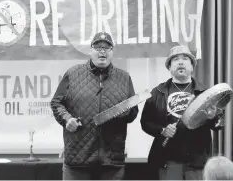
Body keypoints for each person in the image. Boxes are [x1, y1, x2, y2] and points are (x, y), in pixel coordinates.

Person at [51, 32, 139, 180]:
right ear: (90, 50)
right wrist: (67, 119)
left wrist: (123, 112)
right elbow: (56, 102)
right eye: (98, 47)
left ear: (112, 52)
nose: (102, 51)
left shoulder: (124, 77)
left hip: (111, 161)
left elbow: (133, 112)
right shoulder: (73, 74)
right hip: (77, 160)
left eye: (107, 47)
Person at [140, 45, 225, 180]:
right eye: (175, 60)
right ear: (169, 67)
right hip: (167, 161)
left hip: (197, 162)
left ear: (192, 67)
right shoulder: (157, 92)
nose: (180, 62)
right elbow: (145, 122)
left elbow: (220, 124)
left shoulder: (205, 93)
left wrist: (212, 117)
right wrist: (162, 130)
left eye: (185, 59)